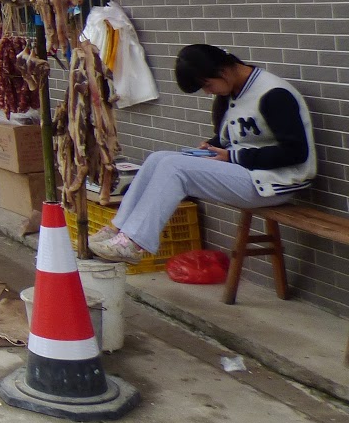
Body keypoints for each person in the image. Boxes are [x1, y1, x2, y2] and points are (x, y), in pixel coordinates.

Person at [92, 43, 316, 264]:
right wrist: (211, 146)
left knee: (174, 168)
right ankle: (119, 229)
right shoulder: (233, 90)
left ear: (224, 71)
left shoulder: (273, 94)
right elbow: (236, 137)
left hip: (276, 182)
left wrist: (233, 157)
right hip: (249, 173)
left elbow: (296, 153)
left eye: (207, 85)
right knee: (158, 159)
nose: (208, 92)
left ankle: (134, 243)